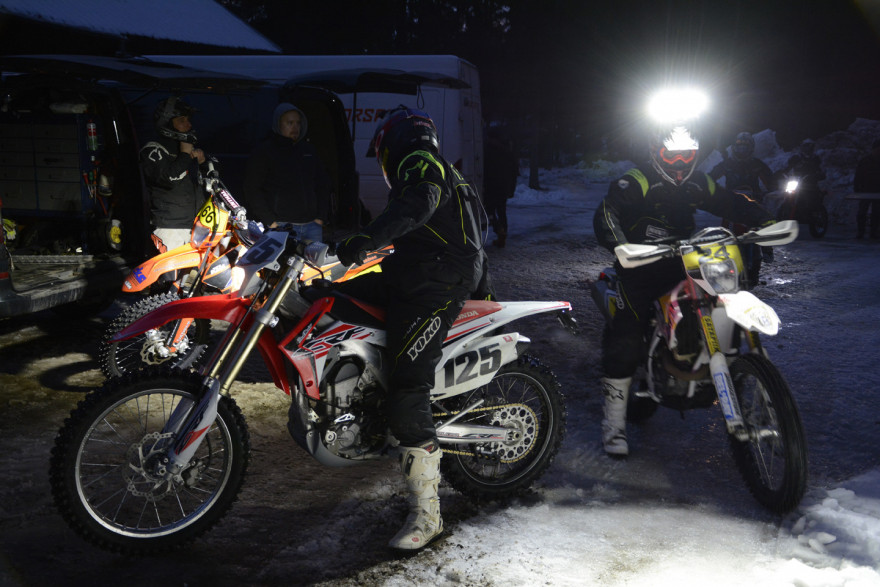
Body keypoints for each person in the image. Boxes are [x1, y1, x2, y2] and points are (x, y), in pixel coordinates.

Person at [332, 107, 485, 550]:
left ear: (390, 143)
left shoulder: (417, 162)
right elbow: (475, 234)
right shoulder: (445, 169)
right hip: (418, 272)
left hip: (434, 284)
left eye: (380, 152)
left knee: (407, 385)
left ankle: (428, 513)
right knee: (334, 297)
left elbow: (419, 203)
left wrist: (367, 239)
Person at [593, 119, 774, 458]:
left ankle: (729, 374)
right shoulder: (637, 181)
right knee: (628, 334)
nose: (679, 163)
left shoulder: (697, 183)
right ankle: (613, 425)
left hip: (685, 260)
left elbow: (731, 202)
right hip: (640, 264)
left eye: (687, 155)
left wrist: (765, 220)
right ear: (655, 152)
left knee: (724, 301)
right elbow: (608, 210)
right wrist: (618, 244)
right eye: (671, 155)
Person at [244, 103, 331, 243]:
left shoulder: (308, 150)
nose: (295, 127)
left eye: (298, 123)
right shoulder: (266, 151)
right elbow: (252, 189)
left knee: (314, 265)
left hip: (311, 226)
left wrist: (320, 217)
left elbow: (323, 184)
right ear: (278, 124)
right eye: (290, 123)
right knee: (281, 265)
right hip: (281, 226)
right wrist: (270, 222)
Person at [139, 96, 206, 252]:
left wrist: (202, 163)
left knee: (193, 275)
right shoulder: (153, 150)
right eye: (182, 120)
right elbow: (168, 178)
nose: (188, 124)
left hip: (196, 226)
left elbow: (209, 182)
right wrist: (185, 155)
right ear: (168, 122)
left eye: (188, 120)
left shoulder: (187, 149)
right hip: (170, 228)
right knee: (170, 276)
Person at [710, 131, 776, 266]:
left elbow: (770, 180)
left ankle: (767, 249)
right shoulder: (727, 164)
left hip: (753, 199)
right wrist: (711, 189)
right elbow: (711, 177)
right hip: (731, 200)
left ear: (751, 147)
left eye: (745, 145)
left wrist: (772, 189)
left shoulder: (757, 164)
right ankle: (722, 249)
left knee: (764, 220)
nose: (742, 148)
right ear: (734, 147)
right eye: (739, 145)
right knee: (724, 225)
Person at [483, 135, 519, 247]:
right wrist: (511, 189)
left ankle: (499, 229)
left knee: (490, 210)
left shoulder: (490, 152)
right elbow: (514, 172)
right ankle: (502, 234)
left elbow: (486, 169)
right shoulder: (508, 153)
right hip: (504, 187)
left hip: (492, 186)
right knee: (501, 211)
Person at [853, 139, 880, 239]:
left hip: (878, 192)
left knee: (877, 213)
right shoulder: (865, 161)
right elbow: (858, 175)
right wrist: (857, 188)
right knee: (862, 213)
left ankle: (874, 232)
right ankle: (861, 232)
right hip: (865, 191)